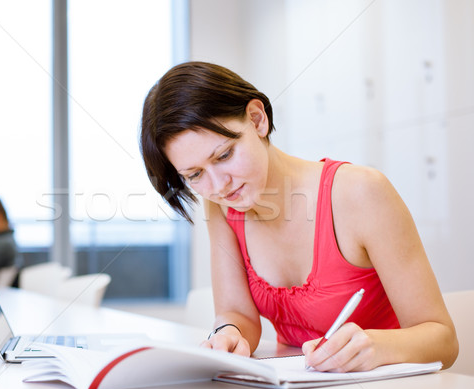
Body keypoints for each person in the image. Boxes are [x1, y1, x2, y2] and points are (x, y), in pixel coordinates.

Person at [140, 61, 458, 372]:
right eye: (195, 175)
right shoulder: (222, 206)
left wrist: (376, 347)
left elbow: (443, 341)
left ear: (257, 119)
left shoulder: (360, 193)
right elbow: (238, 314)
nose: (218, 185)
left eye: (224, 155)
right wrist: (228, 333)